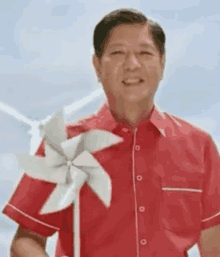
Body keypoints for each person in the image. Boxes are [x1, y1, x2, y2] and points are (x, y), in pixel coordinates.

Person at [3, 8, 220, 257]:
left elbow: (214, 240)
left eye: (145, 53)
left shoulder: (199, 145)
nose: (132, 64)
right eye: (117, 53)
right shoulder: (64, 144)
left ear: (162, 63)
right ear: (97, 65)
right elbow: (26, 240)